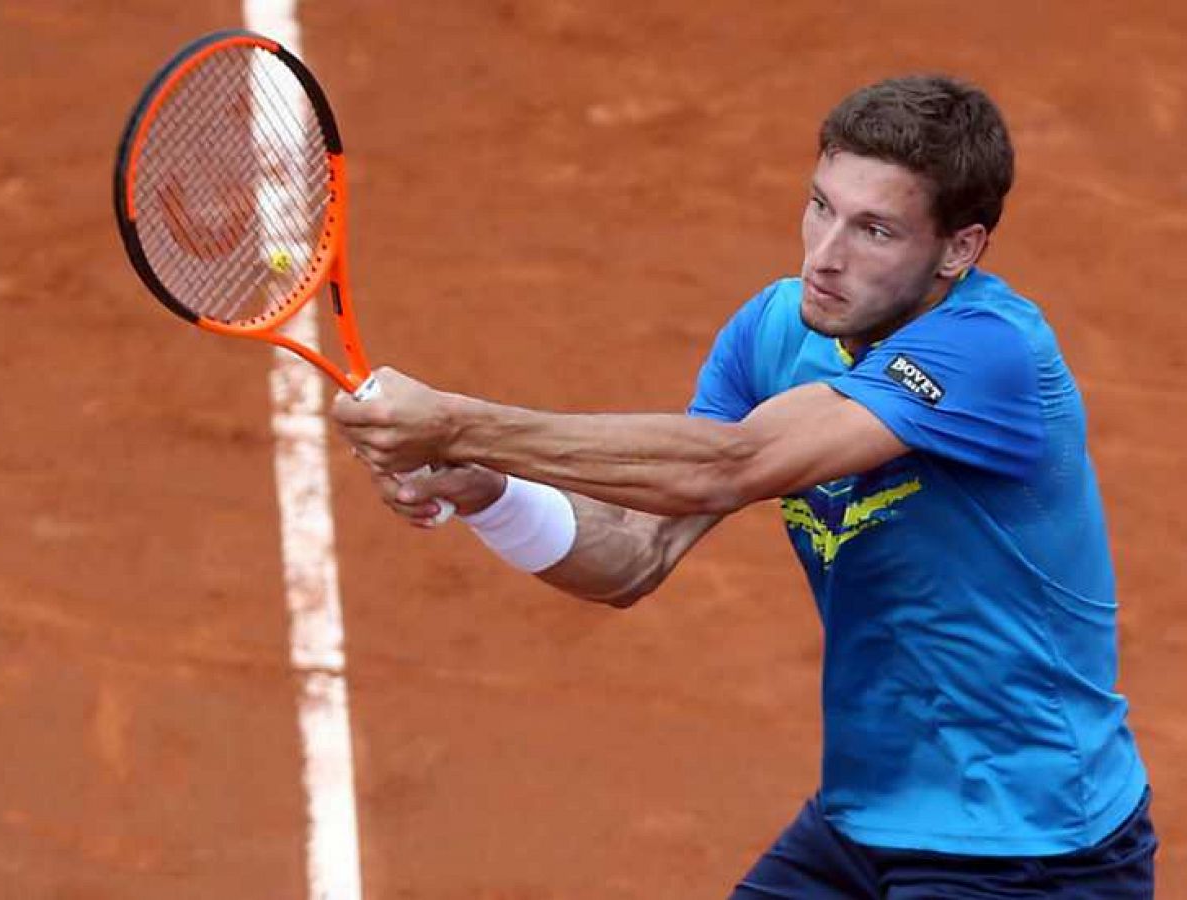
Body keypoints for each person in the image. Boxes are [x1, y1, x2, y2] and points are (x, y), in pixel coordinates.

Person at [331, 75, 1157, 898]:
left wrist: (457, 422)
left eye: (874, 229)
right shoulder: (775, 332)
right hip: (864, 822)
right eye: (820, 206)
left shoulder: (991, 352)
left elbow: (730, 463)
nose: (825, 256)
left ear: (958, 250)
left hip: (1036, 850)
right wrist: (492, 492)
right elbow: (635, 554)